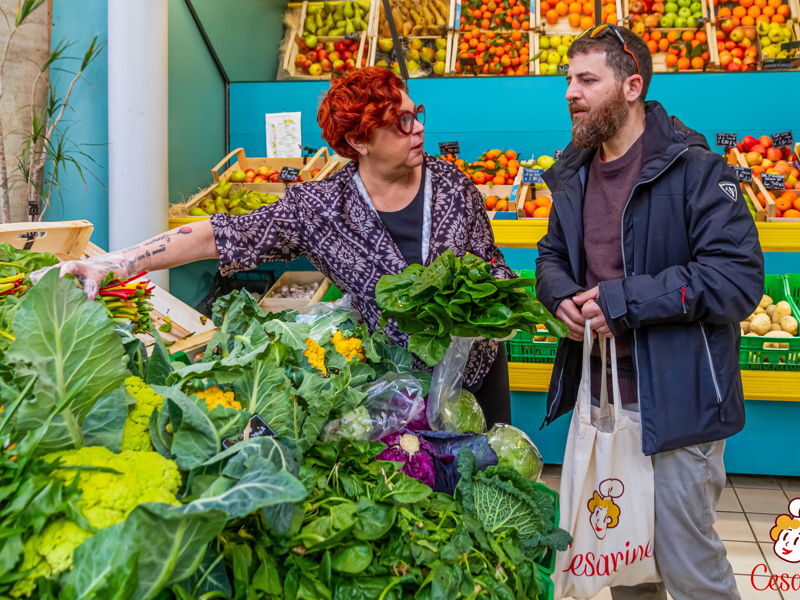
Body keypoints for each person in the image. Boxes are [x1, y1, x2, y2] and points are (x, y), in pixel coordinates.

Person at [49, 66, 515, 427]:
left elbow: (489, 260)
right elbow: (222, 233)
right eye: (401, 122)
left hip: (476, 373)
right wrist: (121, 261)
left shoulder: (452, 184)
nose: (417, 129)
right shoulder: (321, 208)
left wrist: (501, 297)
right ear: (358, 140)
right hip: (393, 388)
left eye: (418, 115)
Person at [535, 24, 764, 600]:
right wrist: (559, 293)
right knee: (624, 562)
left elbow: (736, 281)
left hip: (679, 401)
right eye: (569, 79)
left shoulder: (698, 170)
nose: (570, 92)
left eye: (588, 79)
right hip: (603, 400)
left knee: (689, 566)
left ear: (632, 85)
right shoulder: (573, 172)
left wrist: (620, 302)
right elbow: (551, 255)